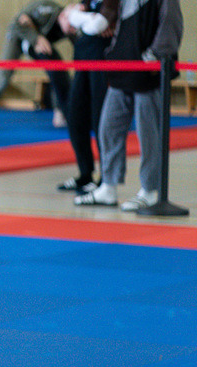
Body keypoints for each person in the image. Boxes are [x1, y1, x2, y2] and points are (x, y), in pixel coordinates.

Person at [75, 0, 182, 211]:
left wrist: (155, 56)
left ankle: (150, 191)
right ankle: (108, 186)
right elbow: (117, 23)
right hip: (123, 65)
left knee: (149, 132)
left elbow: (171, 25)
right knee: (109, 127)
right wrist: (113, 50)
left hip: (148, 70)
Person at [0, 1, 71, 133]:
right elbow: (20, 21)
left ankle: (59, 114)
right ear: (63, 17)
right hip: (18, 37)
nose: (71, 30)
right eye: (71, 27)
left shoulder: (70, 26)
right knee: (2, 77)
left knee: (58, 71)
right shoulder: (48, 11)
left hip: (36, 43)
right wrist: (36, 38)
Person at [56, 1, 116, 194]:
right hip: (82, 59)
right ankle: (85, 174)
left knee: (101, 121)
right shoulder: (88, 1)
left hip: (103, 62)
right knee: (74, 117)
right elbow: (67, 18)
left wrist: (82, 20)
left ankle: (105, 180)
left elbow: (97, 25)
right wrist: (82, 18)